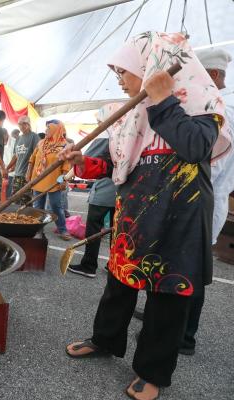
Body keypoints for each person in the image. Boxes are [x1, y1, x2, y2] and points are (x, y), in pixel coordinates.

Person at [61, 32, 230, 400]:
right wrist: (84, 163)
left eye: (123, 71)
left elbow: (194, 147)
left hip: (179, 221)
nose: (119, 80)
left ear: (149, 67)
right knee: (118, 285)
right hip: (134, 217)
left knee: (167, 298)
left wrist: (163, 100)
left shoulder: (203, 103)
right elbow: (117, 166)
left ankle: (152, 372)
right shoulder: (131, 116)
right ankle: (105, 339)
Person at [177, 48, 234, 356]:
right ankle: (172, 319)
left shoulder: (221, 110)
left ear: (211, 75)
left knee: (193, 270)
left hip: (202, 202)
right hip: (203, 200)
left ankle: (185, 335)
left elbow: (212, 164)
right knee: (180, 265)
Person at [67, 103, 122, 278]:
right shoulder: (126, 133)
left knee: (94, 229)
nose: (98, 124)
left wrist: (68, 174)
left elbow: (87, 161)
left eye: (99, 120)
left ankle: (88, 265)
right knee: (116, 230)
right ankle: (114, 264)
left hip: (104, 191)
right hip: (121, 192)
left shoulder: (105, 135)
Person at [26, 120, 71, 240]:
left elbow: (66, 166)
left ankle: (62, 229)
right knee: (38, 207)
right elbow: (32, 159)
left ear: (56, 130)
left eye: (48, 128)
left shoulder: (64, 146)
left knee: (56, 206)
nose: (46, 131)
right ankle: (38, 230)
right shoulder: (41, 143)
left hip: (54, 181)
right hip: (38, 180)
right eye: (46, 128)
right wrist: (28, 173)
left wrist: (63, 180)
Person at [6, 116, 39, 204]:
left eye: (24, 123)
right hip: (17, 174)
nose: (21, 126)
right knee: (15, 199)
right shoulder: (18, 139)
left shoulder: (34, 137)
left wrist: (30, 172)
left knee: (26, 201)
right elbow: (15, 156)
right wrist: (7, 168)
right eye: (19, 124)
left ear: (28, 124)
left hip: (28, 175)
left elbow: (36, 156)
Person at [3, 128, 18, 198]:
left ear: (6, 134)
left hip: (13, 171)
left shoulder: (14, 142)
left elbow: (17, 156)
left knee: (11, 194)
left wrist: (14, 165)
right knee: (5, 193)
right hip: (5, 171)